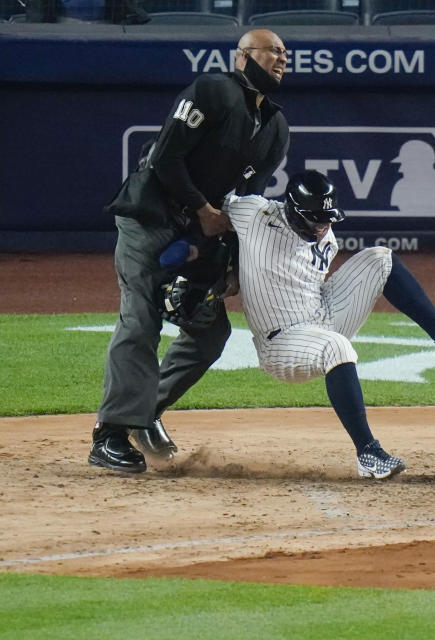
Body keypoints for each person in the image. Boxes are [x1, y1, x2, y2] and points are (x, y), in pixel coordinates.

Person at [90, 29, 292, 474]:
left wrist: (233, 264)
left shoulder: (275, 126)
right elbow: (165, 158)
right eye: (273, 51)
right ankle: (109, 433)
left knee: (209, 333)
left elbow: (247, 204)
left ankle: (142, 415)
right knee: (141, 319)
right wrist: (203, 209)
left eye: (285, 53)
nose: (282, 58)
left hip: (196, 238)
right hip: (149, 220)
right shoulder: (213, 90)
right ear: (243, 57)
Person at [216, 170, 435, 478]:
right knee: (336, 347)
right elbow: (213, 206)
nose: (323, 226)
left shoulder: (326, 236)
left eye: (327, 219)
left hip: (322, 315)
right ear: (294, 212)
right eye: (316, 219)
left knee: (380, 258)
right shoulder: (256, 213)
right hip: (282, 343)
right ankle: (368, 453)